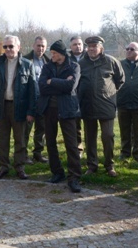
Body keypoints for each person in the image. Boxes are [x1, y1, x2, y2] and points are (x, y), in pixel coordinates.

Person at [0, 35, 38, 180]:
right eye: (5, 47)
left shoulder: (28, 64)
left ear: (18, 47)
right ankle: (3, 167)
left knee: (20, 140)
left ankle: (20, 168)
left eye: (11, 46)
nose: (8, 49)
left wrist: (31, 111)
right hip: (2, 107)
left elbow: (33, 91)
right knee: (3, 140)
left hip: (20, 107)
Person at [37, 40, 82, 193]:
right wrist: (60, 83)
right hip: (49, 109)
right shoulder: (47, 66)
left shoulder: (74, 66)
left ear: (62, 54)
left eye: (54, 53)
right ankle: (57, 172)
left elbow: (71, 87)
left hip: (67, 109)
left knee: (71, 144)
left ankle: (74, 177)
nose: (52, 55)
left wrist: (52, 82)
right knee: (50, 142)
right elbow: (42, 87)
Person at [78, 35, 124, 177]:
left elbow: (120, 80)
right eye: (89, 46)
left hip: (106, 105)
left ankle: (109, 165)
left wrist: (109, 93)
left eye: (95, 46)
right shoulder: (81, 63)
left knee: (108, 136)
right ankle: (92, 165)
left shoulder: (111, 62)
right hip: (87, 105)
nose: (92, 49)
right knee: (90, 137)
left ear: (101, 48)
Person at [23, 36, 50, 163]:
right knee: (25, 129)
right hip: (29, 100)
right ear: (33, 46)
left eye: (43, 46)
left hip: (43, 100)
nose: (40, 48)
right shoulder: (24, 60)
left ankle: (38, 153)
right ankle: (23, 154)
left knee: (41, 128)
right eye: (38, 45)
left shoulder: (48, 62)